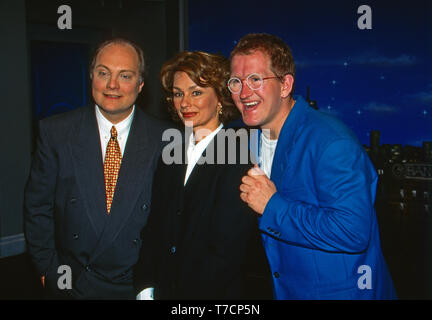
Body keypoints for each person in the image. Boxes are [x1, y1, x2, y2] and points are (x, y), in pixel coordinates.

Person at [229, 33, 397, 299]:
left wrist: (272, 206)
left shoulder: (331, 142)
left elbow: (352, 231)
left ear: (285, 86)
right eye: (235, 81)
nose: (243, 92)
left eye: (256, 80)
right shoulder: (249, 140)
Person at [24, 38, 168, 299]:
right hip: (74, 283)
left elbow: (172, 220)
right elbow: (37, 207)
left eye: (125, 75)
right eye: (103, 73)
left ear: (141, 85)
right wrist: (48, 271)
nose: (112, 85)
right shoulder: (56, 132)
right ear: (91, 77)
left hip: (137, 284)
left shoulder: (166, 139)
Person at [133, 51, 272, 300]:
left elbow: (226, 253)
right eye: (178, 93)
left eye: (196, 92)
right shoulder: (170, 153)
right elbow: (154, 229)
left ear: (219, 97)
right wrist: (145, 287)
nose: (185, 103)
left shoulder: (236, 155)